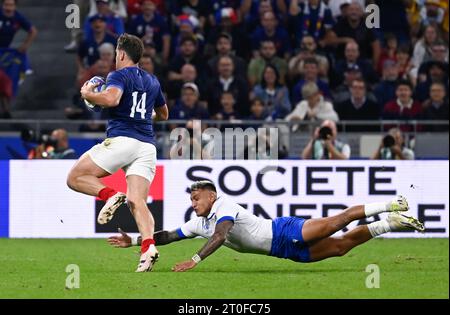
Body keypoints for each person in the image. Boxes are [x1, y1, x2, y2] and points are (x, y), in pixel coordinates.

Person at [107, 180, 424, 272]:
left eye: (197, 197)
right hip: (281, 252)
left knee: (335, 223)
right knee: (341, 248)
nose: (194, 202)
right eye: (191, 199)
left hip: (283, 230)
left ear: (211, 195)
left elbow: (221, 235)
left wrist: (195, 260)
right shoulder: (197, 222)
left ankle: (391, 204)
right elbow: (168, 235)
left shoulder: (223, 207)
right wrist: (137, 241)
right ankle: (391, 223)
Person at [68, 33, 169, 273]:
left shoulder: (118, 75)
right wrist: (144, 117)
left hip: (123, 140)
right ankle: (148, 247)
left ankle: (110, 194)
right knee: (138, 201)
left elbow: (112, 99)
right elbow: (164, 114)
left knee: (75, 177)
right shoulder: (152, 80)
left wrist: (88, 94)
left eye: (115, 53)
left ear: (121, 54)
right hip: (146, 146)